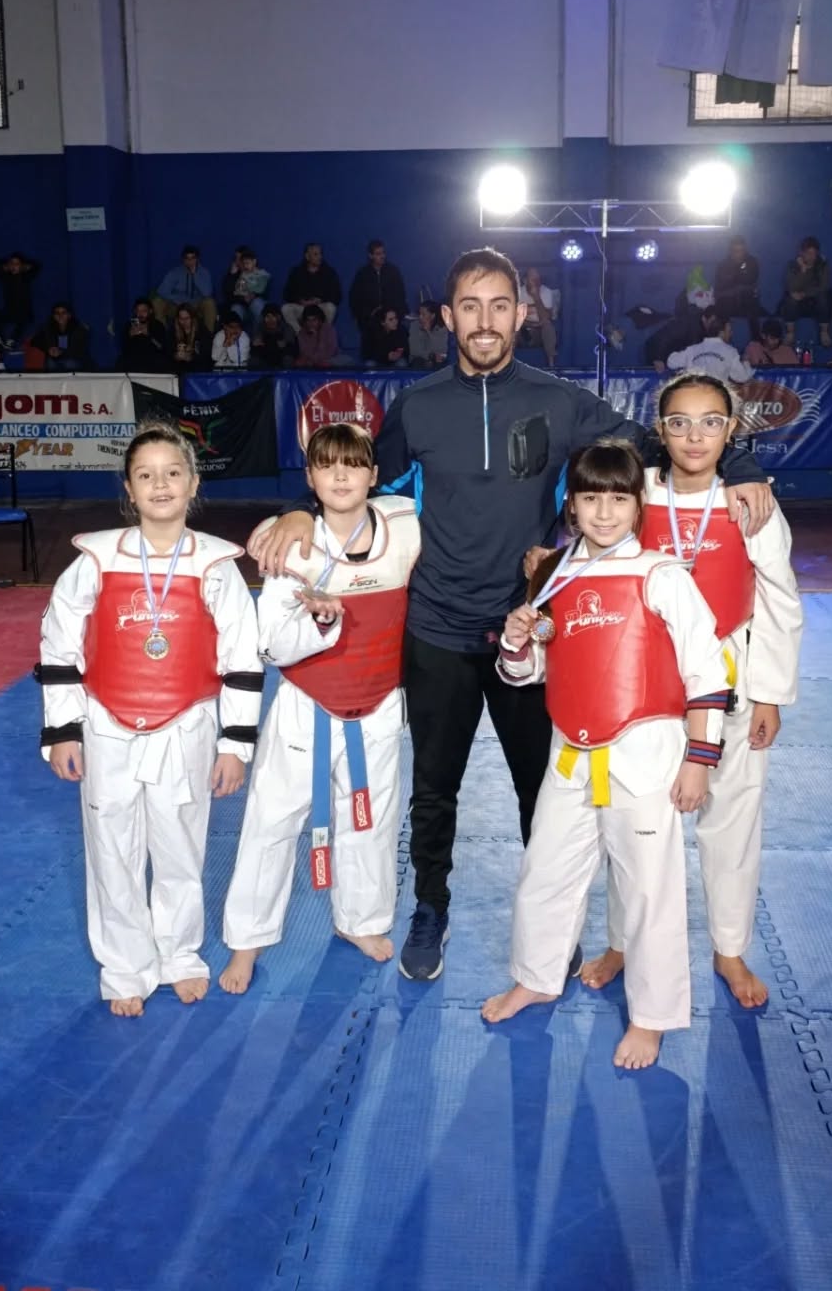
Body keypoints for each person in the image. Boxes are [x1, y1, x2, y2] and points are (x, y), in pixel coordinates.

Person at [249, 247, 775, 982]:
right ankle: (430, 907)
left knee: (543, 790)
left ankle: (552, 926)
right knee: (434, 789)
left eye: (500, 305)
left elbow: (660, 441)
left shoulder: (560, 401)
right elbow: (354, 481)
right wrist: (300, 512)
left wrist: (742, 466)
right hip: (437, 628)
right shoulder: (419, 406)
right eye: (470, 307)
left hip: (531, 630)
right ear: (447, 316)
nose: (485, 321)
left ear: (522, 314)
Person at [481, 440, 731, 1069]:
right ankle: (537, 976)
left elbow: (708, 671)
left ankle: (652, 1016)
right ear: (571, 505)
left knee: (648, 889)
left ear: (638, 505)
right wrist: (516, 644)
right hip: (570, 750)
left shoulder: (661, 575)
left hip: (645, 753)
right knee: (545, 871)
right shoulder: (555, 574)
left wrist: (699, 760)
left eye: (618, 499)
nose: (603, 512)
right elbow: (529, 673)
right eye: (590, 498)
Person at [580, 373, 803, 1013]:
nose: (695, 436)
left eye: (711, 423)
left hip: (731, 674)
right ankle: (622, 940)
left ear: (731, 431)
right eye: (679, 422)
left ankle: (729, 948)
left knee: (733, 817)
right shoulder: (637, 492)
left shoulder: (749, 502)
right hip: (647, 676)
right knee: (634, 817)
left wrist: (769, 694)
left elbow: (781, 600)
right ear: (660, 431)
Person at [36, 421, 262, 1016]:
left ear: (193, 484)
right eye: (146, 475)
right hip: (105, 724)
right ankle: (125, 967)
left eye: (173, 473)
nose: (160, 485)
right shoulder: (95, 560)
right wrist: (63, 731)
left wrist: (235, 743)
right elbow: (59, 644)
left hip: (187, 725)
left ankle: (180, 957)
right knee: (111, 850)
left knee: (181, 848)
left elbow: (242, 657)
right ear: (129, 490)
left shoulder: (216, 565)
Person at [221, 423, 421, 993]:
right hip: (306, 705)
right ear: (308, 478)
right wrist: (320, 620)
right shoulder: (286, 544)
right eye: (326, 465)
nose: (340, 476)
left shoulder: (405, 527)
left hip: (379, 701)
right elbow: (271, 645)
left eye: (353, 464)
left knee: (371, 820)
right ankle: (247, 940)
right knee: (271, 821)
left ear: (374, 475)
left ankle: (361, 920)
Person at [349, 240, 409, 358]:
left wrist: (392, 312)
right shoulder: (362, 274)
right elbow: (355, 298)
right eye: (378, 254)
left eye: (383, 253)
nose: (382, 256)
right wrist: (367, 313)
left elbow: (400, 295)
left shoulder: (393, 272)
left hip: (391, 315)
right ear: (370, 255)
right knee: (370, 358)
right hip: (370, 317)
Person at [779, 236, 832, 351]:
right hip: (799, 303)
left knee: (824, 297)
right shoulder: (792, 265)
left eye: (814, 253)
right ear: (801, 253)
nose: (812, 257)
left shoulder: (822, 264)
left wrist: (805, 293)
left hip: (815, 301)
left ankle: (824, 332)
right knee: (790, 299)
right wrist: (803, 270)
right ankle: (790, 333)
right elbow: (791, 287)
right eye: (808, 253)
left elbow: (824, 286)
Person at [666, 314, 752, 382]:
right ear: (721, 333)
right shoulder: (730, 351)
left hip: (694, 395)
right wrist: (746, 361)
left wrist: (685, 356)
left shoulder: (692, 349)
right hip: (716, 396)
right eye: (729, 331)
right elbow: (742, 377)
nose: (731, 333)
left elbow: (671, 362)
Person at [282, 243, 342, 336]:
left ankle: (322, 335)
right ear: (307, 256)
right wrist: (300, 301)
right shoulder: (296, 272)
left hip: (319, 307)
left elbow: (336, 294)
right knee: (286, 309)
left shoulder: (329, 272)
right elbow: (287, 293)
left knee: (330, 308)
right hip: (302, 307)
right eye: (316, 254)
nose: (320, 257)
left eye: (320, 254)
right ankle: (301, 336)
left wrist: (320, 300)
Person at [155, 246, 216, 337]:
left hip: (196, 306)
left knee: (209, 303)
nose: (190, 261)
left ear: (197, 259)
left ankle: (208, 337)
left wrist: (195, 275)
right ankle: (163, 336)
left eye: (193, 258)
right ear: (183, 260)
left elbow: (207, 293)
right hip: (177, 305)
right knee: (158, 302)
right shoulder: (175, 272)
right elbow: (161, 291)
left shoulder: (204, 273)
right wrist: (177, 299)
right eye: (187, 258)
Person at [713, 236, 762, 341]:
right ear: (731, 251)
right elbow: (723, 285)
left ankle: (756, 342)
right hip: (729, 301)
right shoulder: (723, 265)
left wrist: (737, 280)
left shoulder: (752, 262)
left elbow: (750, 279)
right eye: (736, 251)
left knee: (752, 302)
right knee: (722, 305)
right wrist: (738, 277)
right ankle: (723, 342)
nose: (739, 254)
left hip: (746, 300)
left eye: (742, 251)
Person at [0, 251, 40, 350]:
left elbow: (37, 265)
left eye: (17, 264)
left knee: (24, 319)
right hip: (10, 311)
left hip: (24, 312)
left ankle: (11, 341)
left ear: (22, 265)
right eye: (12, 264)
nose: (14, 266)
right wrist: (5, 265)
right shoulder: (5, 277)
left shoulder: (26, 277)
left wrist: (26, 267)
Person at [29, 303, 92, 371]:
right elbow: (34, 341)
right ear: (53, 316)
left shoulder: (78, 328)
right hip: (55, 359)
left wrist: (62, 352)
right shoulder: (48, 327)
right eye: (57, 313)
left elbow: (79, 350)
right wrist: (48, 349)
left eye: (63, 313)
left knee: (69, 364)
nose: (60, 316)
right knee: (50, 363)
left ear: (69, 315)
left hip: (73, 359)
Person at [518, 266, 559, 368]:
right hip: (523, 327)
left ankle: (551, 363)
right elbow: (514, 317)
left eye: (538, 277)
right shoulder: (518, 293)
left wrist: (536, 297)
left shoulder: (546, 292)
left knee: (548, 327)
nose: (536, 280)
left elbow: (546, 318)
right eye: (532, 277)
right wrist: (529, 324)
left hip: (540, 329)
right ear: (525, 280)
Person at [221, 247, 271, 328]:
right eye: (236, 259)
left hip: (255, 304)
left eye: (240, 259)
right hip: (241, 306)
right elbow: (229, 295)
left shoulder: (260, 274)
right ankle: (236, 335)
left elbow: (263, 291)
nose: (238, 262)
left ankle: (258, 335)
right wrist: (232, 275)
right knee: (236, 309)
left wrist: (253, 295)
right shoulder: (234, 275)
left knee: (257, 304)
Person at [120, 299, 171, 375]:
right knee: (121, 361)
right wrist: (130, 336)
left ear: (150, 311)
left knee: (161, 361)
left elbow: (161, 347)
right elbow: (124, 349)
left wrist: (148, 335)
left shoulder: (157, 325)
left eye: (144, 311)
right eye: (138, 311)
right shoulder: (129, 325)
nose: (140, 314)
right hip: (134, 361)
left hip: (152, 361)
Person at [250, 305, 296, 369]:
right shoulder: (259, 328)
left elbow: (291, 345)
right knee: (254, 360)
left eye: (273, 316)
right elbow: (256, 343)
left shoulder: (287, 328)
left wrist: (285, 343)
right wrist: (255, 343)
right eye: (267, 316)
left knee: (288, 358)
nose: (270, 320)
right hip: (264, 359)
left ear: (279, 317)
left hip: (281, 359)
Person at [408, 299, 450, 369]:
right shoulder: (414, 326)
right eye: (419, 314)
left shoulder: (441, 328)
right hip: (419, 359)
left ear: (432, 316)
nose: (420, 317)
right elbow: (414, 350)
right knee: (418, 362)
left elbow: (441, 349)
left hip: (436, 360)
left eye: (423, 314)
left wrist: (429, 332)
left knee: (441, 364)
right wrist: (430, 356)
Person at [170, 302, 211, 372]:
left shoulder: (202, 330)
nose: (184, 322)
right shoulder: (172, 330)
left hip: (197, 367)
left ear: (193, 318)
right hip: (178, 368)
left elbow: (205, 354)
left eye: (187, 318)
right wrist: (176, 356)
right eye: (181, 319)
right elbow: (168, 350)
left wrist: (190, 357)